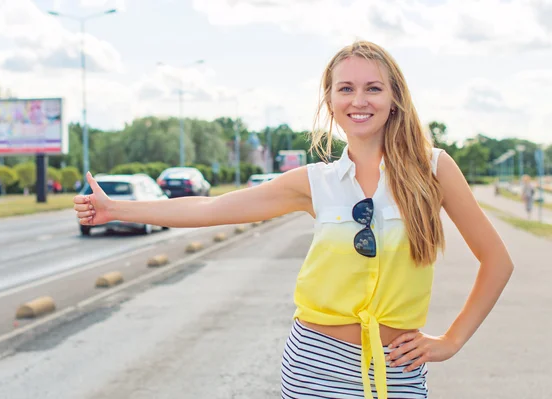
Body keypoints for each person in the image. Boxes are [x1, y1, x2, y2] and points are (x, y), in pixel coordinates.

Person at [73, 41, 514, 398]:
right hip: (315, 365)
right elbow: (211, 208)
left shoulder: (433, 169)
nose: (359, 100)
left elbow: (497, 261)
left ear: (395, 97)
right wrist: (117, 209)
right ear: (330, 99)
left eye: (373, 88)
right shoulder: (314, 181)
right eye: (345, 89)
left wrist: (452, 341)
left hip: (396, 368)